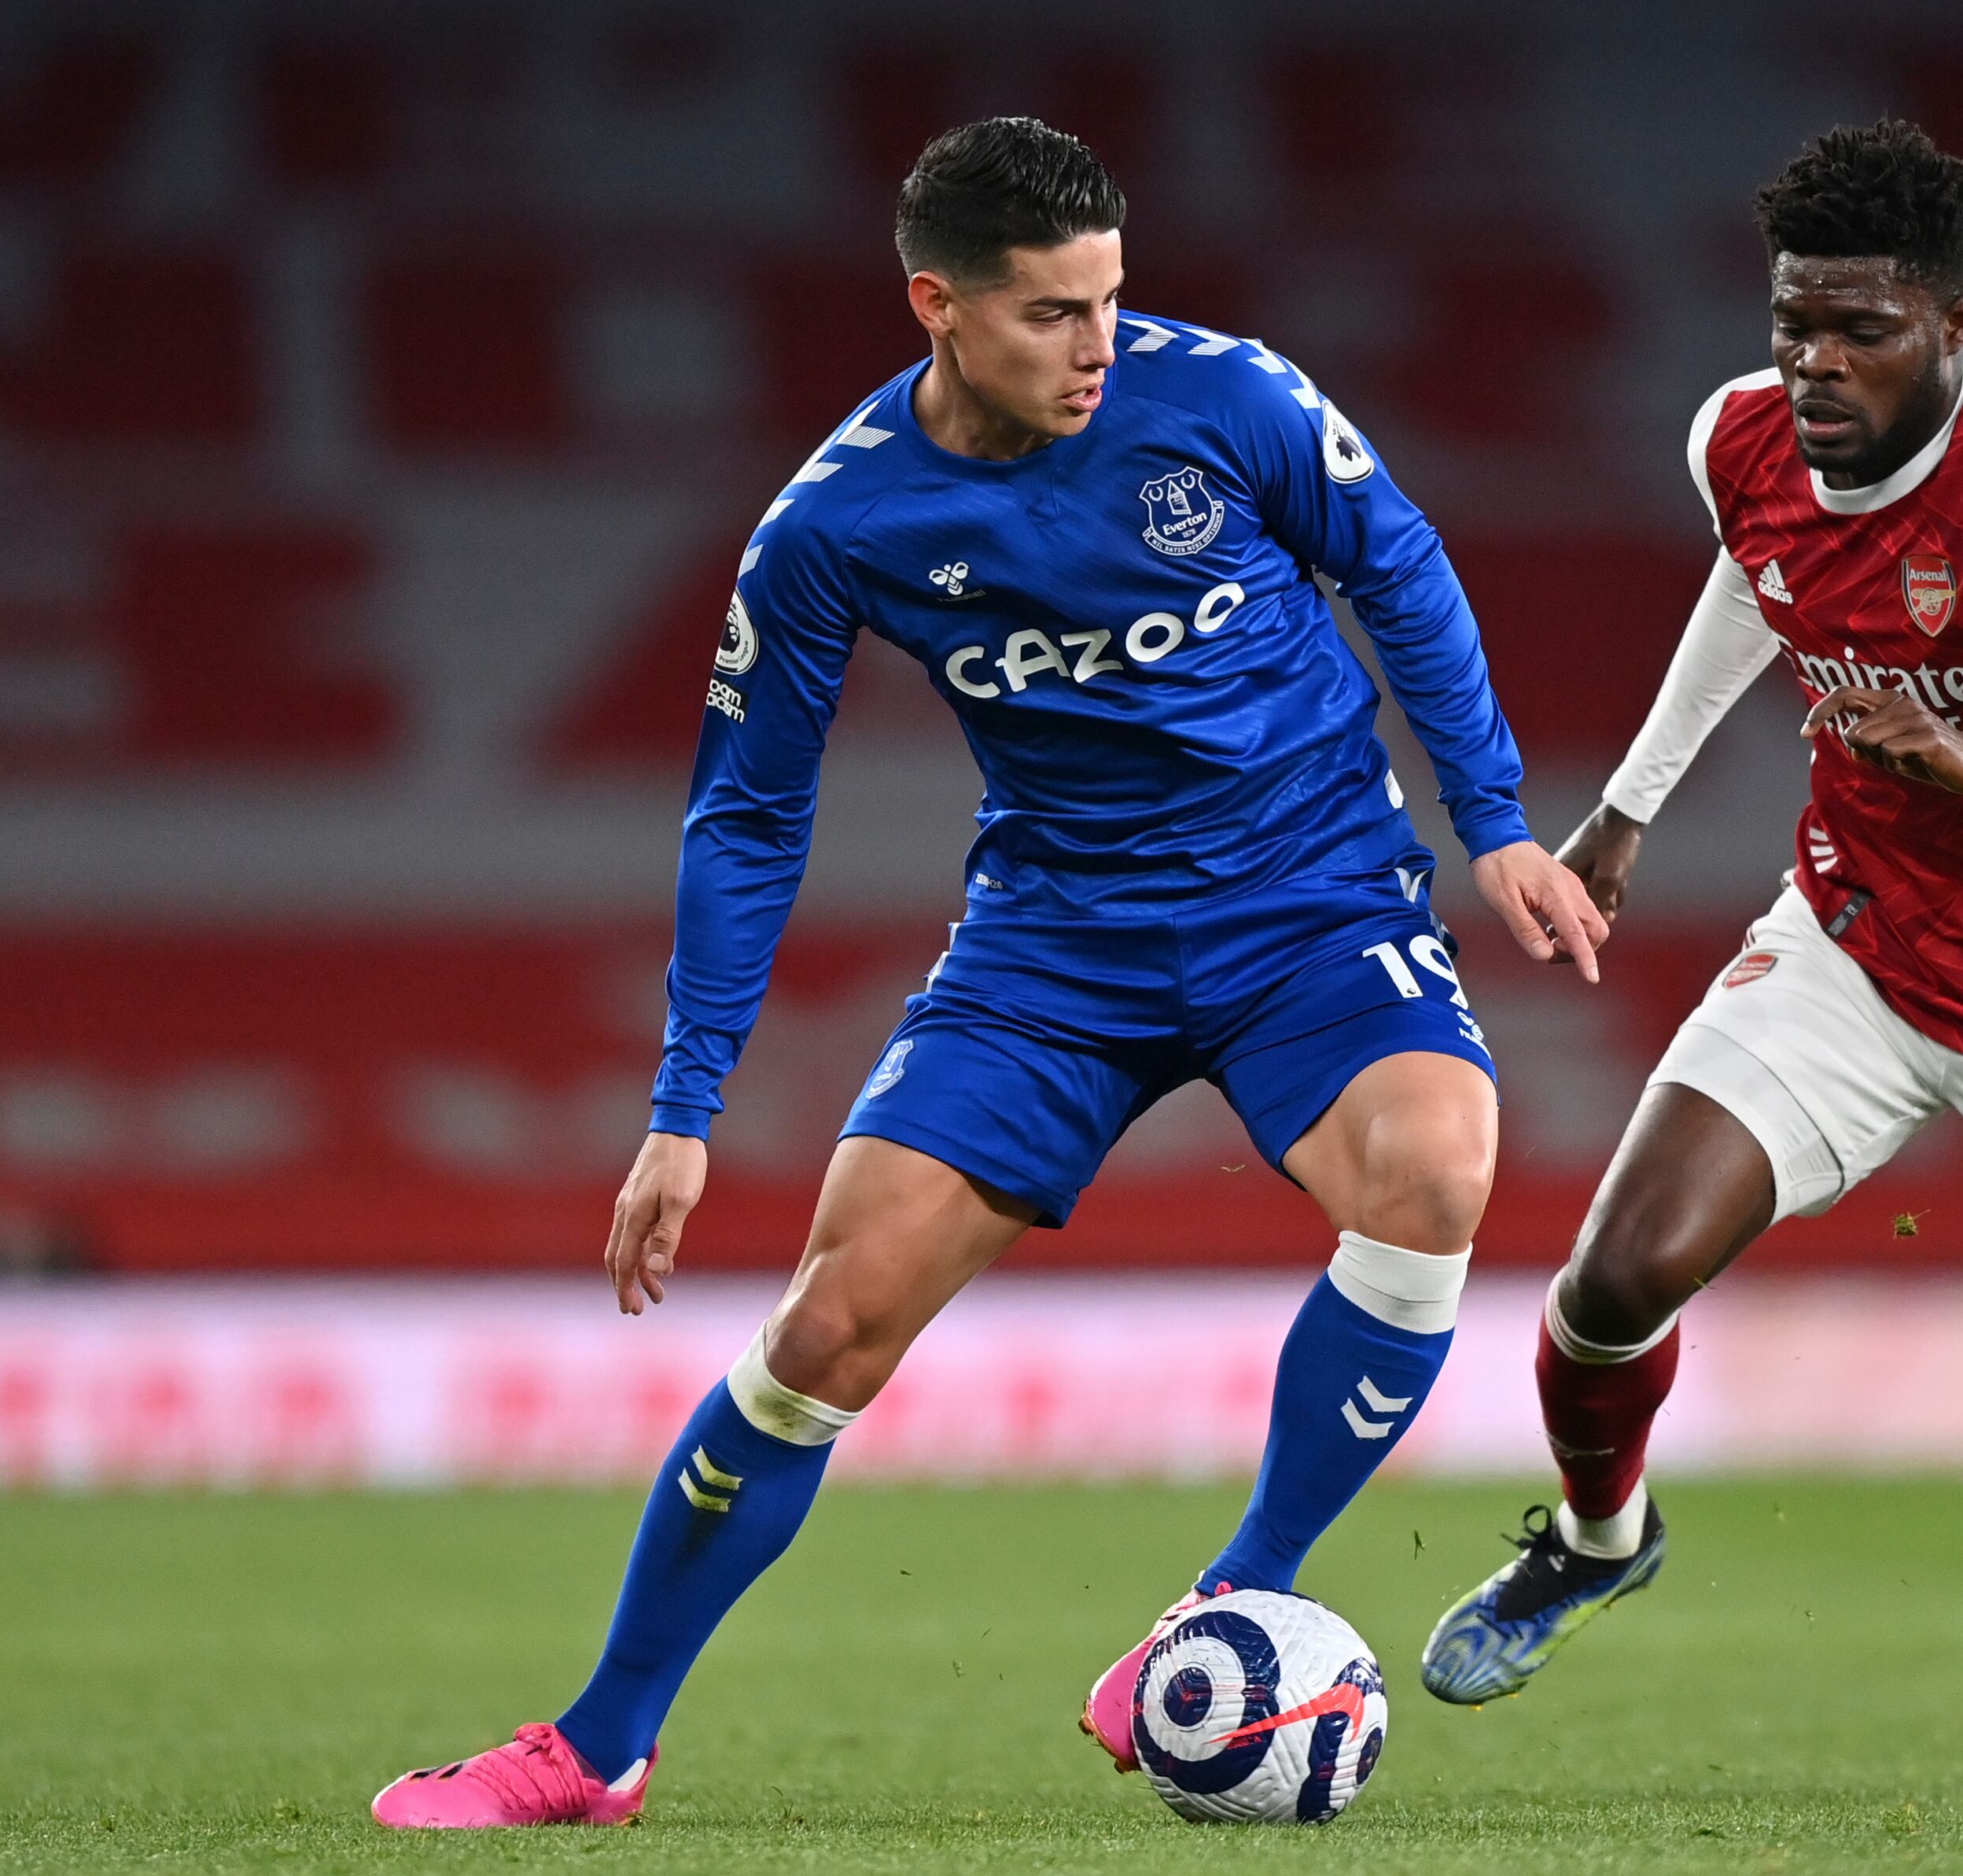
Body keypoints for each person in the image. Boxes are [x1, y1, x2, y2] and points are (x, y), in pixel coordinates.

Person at [369, 116, 1604, 1829]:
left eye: (1109, 301)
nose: (1098, 347)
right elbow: (745, 811)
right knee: (827, 1324)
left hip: (1309, 898)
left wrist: (1490, 818)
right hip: (1055, 940)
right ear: (935, 305)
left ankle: (1230, 1593)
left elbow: (1395, 564)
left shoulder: (1230, 397)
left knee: (1436, 1164)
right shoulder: (836, 523)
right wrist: (680, 1109)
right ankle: (595, 1744)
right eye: (1049, 315)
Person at [1417, 120, 1963, 1798]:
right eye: (1791, 323)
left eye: (1858, 329)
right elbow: (1763, 576)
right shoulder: (1735, 436)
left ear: (1952, 327)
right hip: (1859, 941)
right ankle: (1600, 1539)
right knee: (1608, 1285)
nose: (1812, 363)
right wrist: (1627, 807)